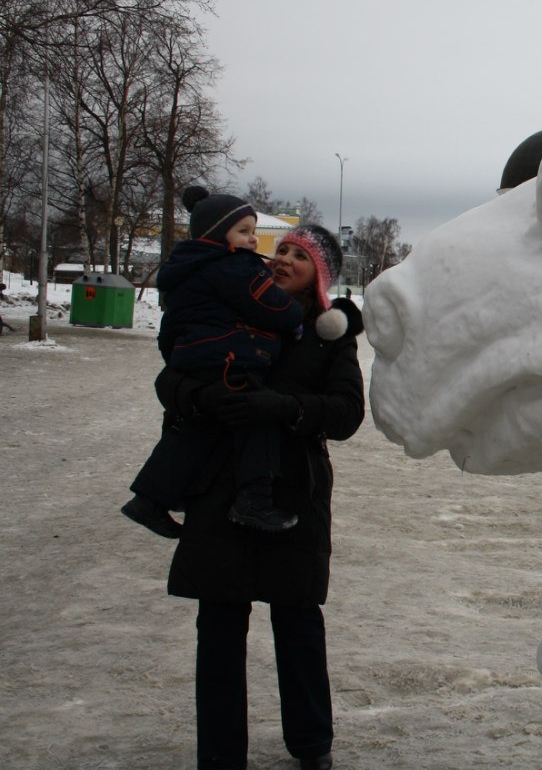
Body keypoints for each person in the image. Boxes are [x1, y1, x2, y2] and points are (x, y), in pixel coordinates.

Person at [154, 223, 363, 770]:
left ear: (319, 276)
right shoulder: (228, 312)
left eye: (299, 255)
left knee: (298, 623)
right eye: (281, 250)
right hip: (221, 486)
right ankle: (221, 755)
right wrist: (202, 398)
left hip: (294, 491)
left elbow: (346, 414)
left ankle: (311, 745)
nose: (283, 259)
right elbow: (170, 379)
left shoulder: (329, 334)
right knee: (219, 627)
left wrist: (284, 408)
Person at [122, 187, 304, 536]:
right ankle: (253, 500)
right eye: (244, 232)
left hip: (203, 358)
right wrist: (293, 315)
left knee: (196, 428)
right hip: (228, 360)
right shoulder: (232, 266)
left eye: (253, 231)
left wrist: (184, 359)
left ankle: (151, 498)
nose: (253, 240)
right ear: (217, 235)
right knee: (258, 416)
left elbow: (171, 333)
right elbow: (265, 303)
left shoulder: (191, 268)